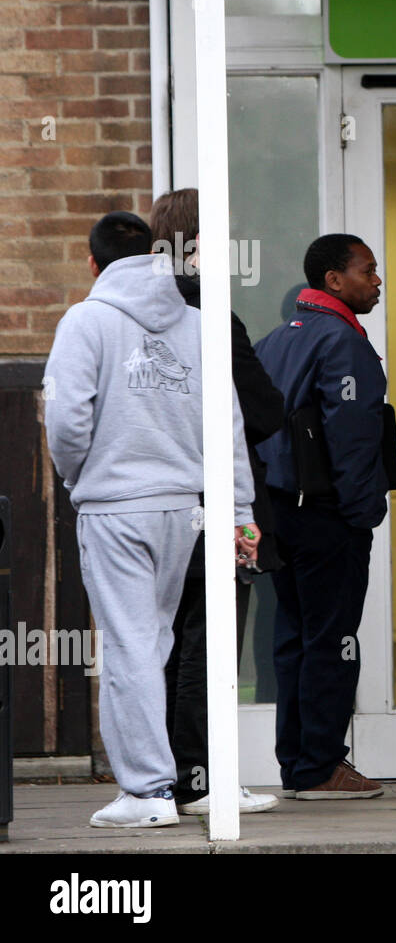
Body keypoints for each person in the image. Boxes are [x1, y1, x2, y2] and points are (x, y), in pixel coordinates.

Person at [43, 211, 258, 828]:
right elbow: (230, 426)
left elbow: (65, 422)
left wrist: (78, 477)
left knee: (132, 647)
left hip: (117, 507)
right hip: (186, 512)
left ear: (94, 263)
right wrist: (241, 511)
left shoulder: (86, 320)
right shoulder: (198, 324)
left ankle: (146, 791)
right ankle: (161, 781)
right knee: (155, 642)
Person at [149, 189, 283, 815]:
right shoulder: (211, 314)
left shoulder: (127, 314)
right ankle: (200, 781)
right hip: (212, 506)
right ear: (199, 243)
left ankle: (167, 778)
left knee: (165, 645)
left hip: (146, 506)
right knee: (209, 642)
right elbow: (262, 411)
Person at [255, 234, 390, 800]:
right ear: (334, 280)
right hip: (328, 516)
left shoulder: (274, 339)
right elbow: (353, 439)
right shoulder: (342, 341)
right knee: (332, 641)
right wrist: (363, 514)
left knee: (294, 638)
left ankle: (298, 764)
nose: (377, 280)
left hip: (280, 511)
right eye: (368, 270)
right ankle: (322, 768)